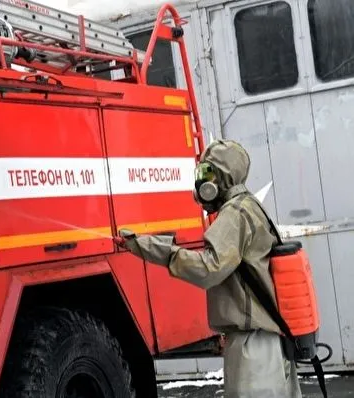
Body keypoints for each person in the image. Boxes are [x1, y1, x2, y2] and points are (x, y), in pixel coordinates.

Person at [115, 139, 302, 398]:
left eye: (207, 173)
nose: (201, 182)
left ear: (223, 176)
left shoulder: (235, 213)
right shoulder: (249, 206)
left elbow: (209, 268)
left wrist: (155, 249)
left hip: (254, 346)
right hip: (264, 341)